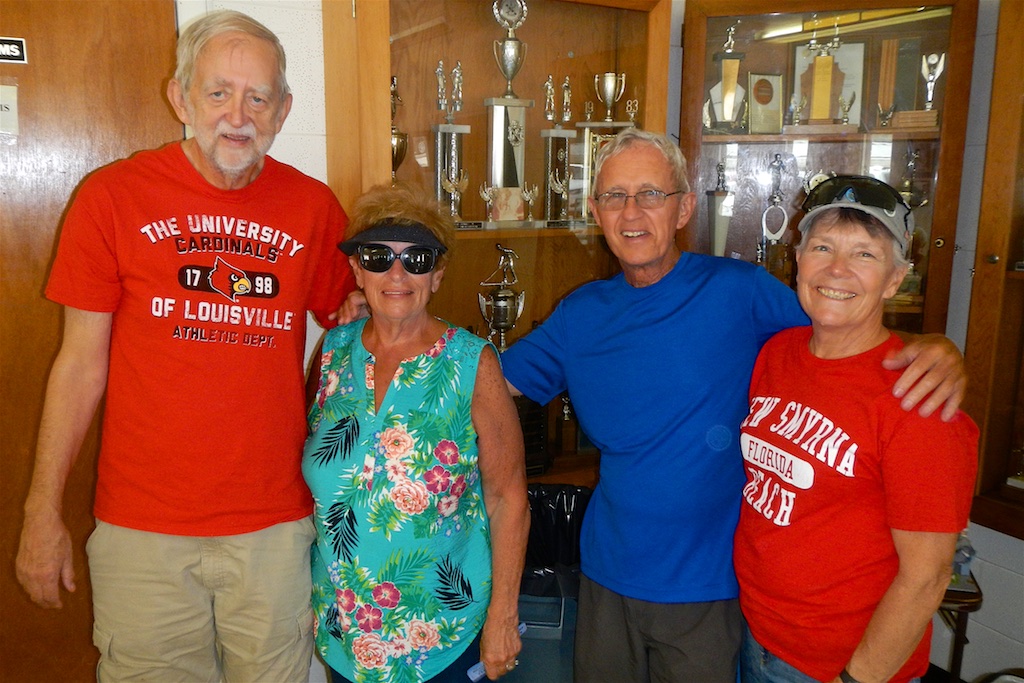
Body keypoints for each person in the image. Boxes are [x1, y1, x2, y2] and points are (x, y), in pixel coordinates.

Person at [496, 129, 967, 682]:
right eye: (614, 196)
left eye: (651, 194)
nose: (632, 212)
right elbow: (490, 383)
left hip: (712, 590)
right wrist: (405, 333)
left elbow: (842, 321)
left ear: (683, 209)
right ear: (595, 211)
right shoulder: (580, 314)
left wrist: (933, 349)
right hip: (608, 575)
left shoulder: (741, 292)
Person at [15, 10, 355, 681]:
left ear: (283, 110)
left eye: (258, 98)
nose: (238, 116)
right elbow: (78, 366)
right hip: (143, 531)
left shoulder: (314, 209)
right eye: (218, 92)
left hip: (273, 526)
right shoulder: (112, 198)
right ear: (181, 97)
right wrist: (41, 511)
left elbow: (352, 324)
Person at [733, 176, 978, 683]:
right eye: (822, 247)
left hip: (842, 666)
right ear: (797, 260)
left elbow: (926, 577)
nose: (837, 269)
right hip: (757, 634)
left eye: (865, 254)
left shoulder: (920, 400)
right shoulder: (777, 353)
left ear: (895, 279)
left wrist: (856, 679)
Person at [303, 184, 529, 683]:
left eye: (417, 258)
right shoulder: (332, 352)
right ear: (357, 270)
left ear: (437, 274)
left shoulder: (472, 365)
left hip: (443, 639)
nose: (397, 273)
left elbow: (508, 498)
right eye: (378, 257)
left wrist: (503, 618)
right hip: (345, 637)